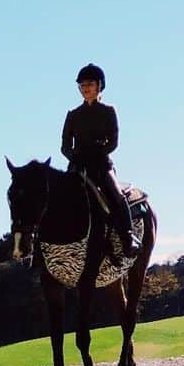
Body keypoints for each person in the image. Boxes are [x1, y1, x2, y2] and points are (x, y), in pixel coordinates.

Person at [61, 64, 138, 257]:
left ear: (99, 86)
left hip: (101, 164)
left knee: (117, 195)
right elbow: (64, 145)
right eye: (82, 84)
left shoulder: (108, 111)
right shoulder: (73, 115)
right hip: (77, 166)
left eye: (89, 84)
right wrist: (75, 157)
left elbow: (113, 141)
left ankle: (128, 236)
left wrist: (98, 153)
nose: (85, 88)